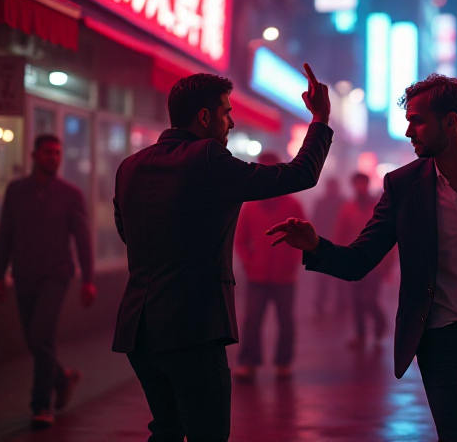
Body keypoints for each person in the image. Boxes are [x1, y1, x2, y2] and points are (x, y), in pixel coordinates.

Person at [268, 74, 457, 442]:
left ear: (450, 121)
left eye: (417, 121)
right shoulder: (403, 186)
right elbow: (360, 259)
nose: (409, 132)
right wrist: (315, 246)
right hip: (440, 339)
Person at [112, 66, 332, 442]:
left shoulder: (129, 166)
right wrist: (320, 119)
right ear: (204, 116)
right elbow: (300, 174)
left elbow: (127, 235)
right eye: (226, 112)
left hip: (139, 330)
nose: (230, 122)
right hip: (193, 328)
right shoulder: (207, 157)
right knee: (208, 434)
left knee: (166, 429)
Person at [0, 134, 97, 428]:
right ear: (34, 155)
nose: (53, 157)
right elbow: (6, 234)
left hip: (56, 275)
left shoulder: (70, 194)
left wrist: (88, 279)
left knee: (42, 338)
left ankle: (41, 406)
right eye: (48, 152)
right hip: (24, 274)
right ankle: (62, 379)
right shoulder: (16, 191)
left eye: (57, 153)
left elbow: (83, 239)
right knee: (34, 341)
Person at [233, 151, 309, 380]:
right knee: (252, 320)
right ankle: (250, 362)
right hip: (257, 275)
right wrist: (249, 263)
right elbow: (240, 240)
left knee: (285, 321)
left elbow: (303, 237)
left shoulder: (292, 204)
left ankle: (283, 362)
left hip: (284, 276)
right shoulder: (251, 206)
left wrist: (292, 263)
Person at [334, 172, 395, 349]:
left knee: (368, 299)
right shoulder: (348, 208)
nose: (360, 187)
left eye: (363, 184)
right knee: (355, 300)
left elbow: (390, 236)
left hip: (375, 263)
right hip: (354, 260)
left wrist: (388, 265)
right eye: (357, 184)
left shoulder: (379, 207)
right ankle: (360, 335)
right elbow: (340, 233)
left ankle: (380, 322)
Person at [310, 177, 347, 318]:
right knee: (327, 277)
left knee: (331, 277)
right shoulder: (329, 202)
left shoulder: (327, 202)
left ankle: (337, 303)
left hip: (332, 242)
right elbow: (315, 222)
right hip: (329, 243)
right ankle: (326, 304)